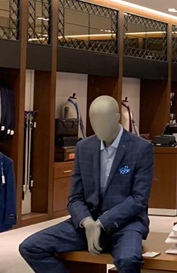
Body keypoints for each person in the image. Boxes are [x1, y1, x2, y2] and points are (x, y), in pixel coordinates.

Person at [19, 96, 154, 273]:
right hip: (88, 223)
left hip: (125, 224)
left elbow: (138, 199)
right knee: (31, 247)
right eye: (94, 120)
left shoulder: (141, 148)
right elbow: (75, 197)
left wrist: (102, 222)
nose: (98, 126)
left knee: (128, 260)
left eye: (104, 119)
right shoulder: (84, 147)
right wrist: (87, 222)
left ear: (117, 117)